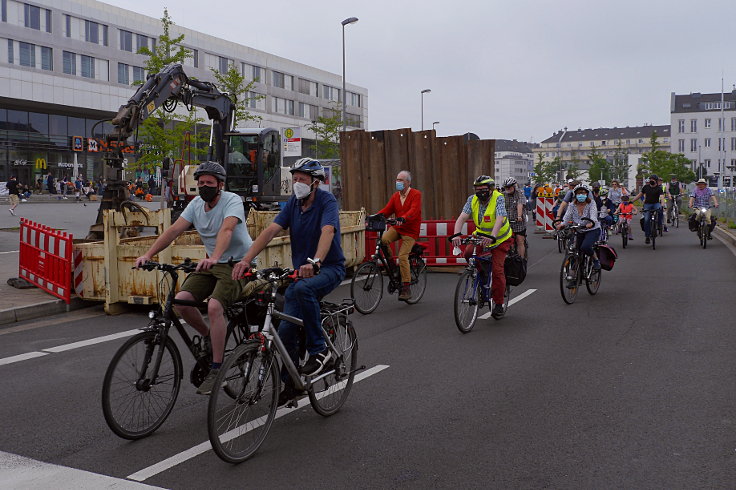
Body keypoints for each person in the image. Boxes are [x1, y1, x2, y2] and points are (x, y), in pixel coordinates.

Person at [232, 158, 345, 404]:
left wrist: (315, 261)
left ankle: (319, 351)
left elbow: (328, 232)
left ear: (315, 182)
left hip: (328, 268)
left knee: (304, 290)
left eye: (302, 179)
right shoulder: (293, 204)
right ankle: (292, 383)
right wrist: (245, 260)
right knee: (285, 330)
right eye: (294, 179)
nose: (296, 183)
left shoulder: (327, 202)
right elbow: (270, 231)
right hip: (300, 271)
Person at [134, 161, 252, 395]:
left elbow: (227, 230)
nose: (204, 187)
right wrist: (148, 254)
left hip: (236, 264)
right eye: (200, 183)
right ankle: (209, 336)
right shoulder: (196, 204)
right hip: (209, 264)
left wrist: (215, 256)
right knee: (181, 301)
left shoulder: (232, 200)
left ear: (220, 185)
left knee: (215, 307)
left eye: (209, 183)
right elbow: (173, 231)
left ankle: (217, 369)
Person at [450, 175, 512, 320]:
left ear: (490, 189)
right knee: (468, 253)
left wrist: (493, 236)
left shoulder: (499, 198)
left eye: (483, 189)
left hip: (500, 238)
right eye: (477, 189)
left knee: (497, 270)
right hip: (480, 235)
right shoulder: (472, 200)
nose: (480, 192)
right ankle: (481, 274)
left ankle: (498, 303)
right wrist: (456, 234)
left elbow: (500, 218)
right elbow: (462, 218)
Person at [373, 170, 422, 301]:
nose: (398, 182)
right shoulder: (396, 196)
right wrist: (375, 217)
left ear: (408, 182)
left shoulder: (416, 194)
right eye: (397, 180)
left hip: (410, 230)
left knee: (402, 256)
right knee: (383, 240)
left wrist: (403, 218)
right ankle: (393, 268)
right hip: (398, 228)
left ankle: (406, 286)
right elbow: (387, 210)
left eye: (401, 180)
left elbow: (414, 211)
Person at [555, 185, 602, 276]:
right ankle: (575, 274)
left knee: (585, 247)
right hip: (578, 229)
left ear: (587, 194)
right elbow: (567, 217)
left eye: (583, 193)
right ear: (575, 195)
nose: (581, 195)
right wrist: (562, 224)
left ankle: (596, 260)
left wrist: (591, 223)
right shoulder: (572, 205)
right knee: (574, 249)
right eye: (579, 193)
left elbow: (593, 215)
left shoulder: (591, 203)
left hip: (592, 229)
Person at [630, 174, 665, 244]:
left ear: (656, 181)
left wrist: (662, 205)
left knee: (660, 210)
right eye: (650, 179)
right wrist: (632, 201)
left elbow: (662, 197)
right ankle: (647, 236)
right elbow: (640, 195)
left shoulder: (659, 188)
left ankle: (659, 224)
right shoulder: (646, 187)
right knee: (646, 219)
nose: (651, 180)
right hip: (647, 204)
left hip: (656, 203)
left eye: (653, 179)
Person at [502, 177, 527, 258]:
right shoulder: (502, 195)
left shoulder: (519, 193)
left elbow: (520, 204)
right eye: (506, 187)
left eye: (509, 187)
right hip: (506, 222)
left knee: (520, 240)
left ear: (514, 186)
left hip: (518, 222)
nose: (508, 189)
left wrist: (519, 216)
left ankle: (521, 260)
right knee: (506, 241)